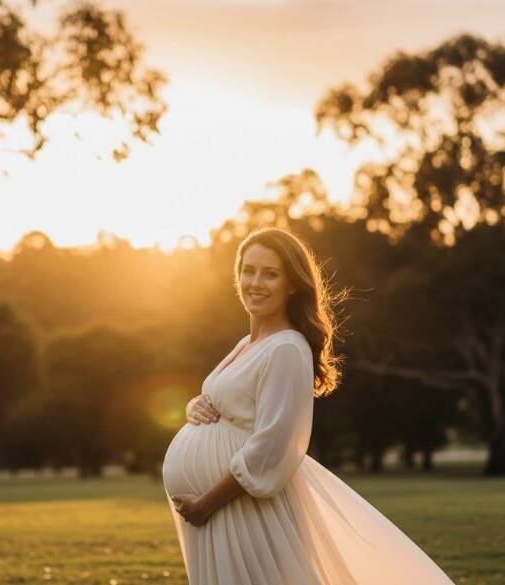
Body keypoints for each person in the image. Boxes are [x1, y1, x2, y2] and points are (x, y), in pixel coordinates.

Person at [161, 227, 455, 584]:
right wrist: (195, 407)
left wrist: (207, 502)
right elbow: (225, 401)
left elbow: (274, 444)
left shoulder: (286, 348)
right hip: (221, 512)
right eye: (249, 270)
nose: (256, 282)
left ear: (292, 285)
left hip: (239, 509)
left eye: (271, 274)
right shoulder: (247, 343)